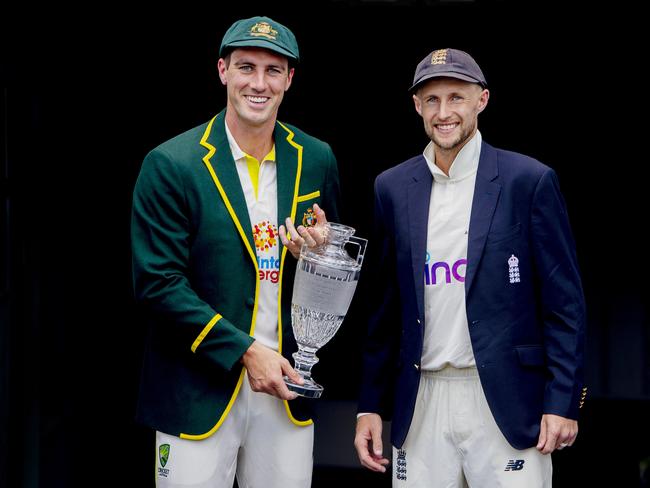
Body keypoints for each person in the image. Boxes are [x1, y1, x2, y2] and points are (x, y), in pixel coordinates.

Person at [354, 48, 586, 487]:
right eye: (433, 100)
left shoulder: (528, 180)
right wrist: (369, 405)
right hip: (420, 398)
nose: (445, 112)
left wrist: (563, 400)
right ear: (417, 106)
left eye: (457, 97)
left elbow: (564, 304)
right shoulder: (391, 187)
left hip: (504, 395)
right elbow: (383, 310)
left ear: (482, 100)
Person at [131, 16, 340, 488]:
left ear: (290, 79)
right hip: (196, 387)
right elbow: (158, 284)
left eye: (273, 70)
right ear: (222, 70)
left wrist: (322, 254)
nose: (258, 83)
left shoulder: (316, 158)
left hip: (285, 391)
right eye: (246, 67)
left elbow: (331, 264)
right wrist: (246, 352)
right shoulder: (172, 163)